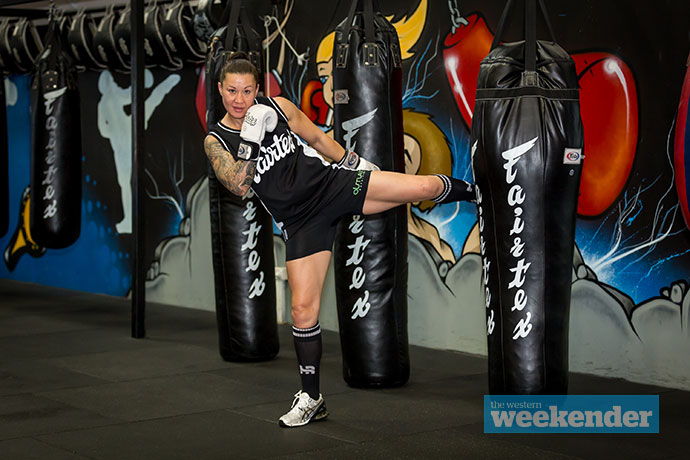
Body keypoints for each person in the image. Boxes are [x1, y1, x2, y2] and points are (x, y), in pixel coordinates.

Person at [204, 53, 475, 428]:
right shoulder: (216, 141)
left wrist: (355, 162)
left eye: (247, 91)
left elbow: (315, 136)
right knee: (303, 311)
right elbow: (238, 184)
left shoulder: (278, 108)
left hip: (332, 186)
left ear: (257, 90)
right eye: (232, 90)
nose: (239, 99)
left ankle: (482, 196)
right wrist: (250, 140)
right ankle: (312, 397)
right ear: (219, 90)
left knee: (423, 185)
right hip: (300, 223)